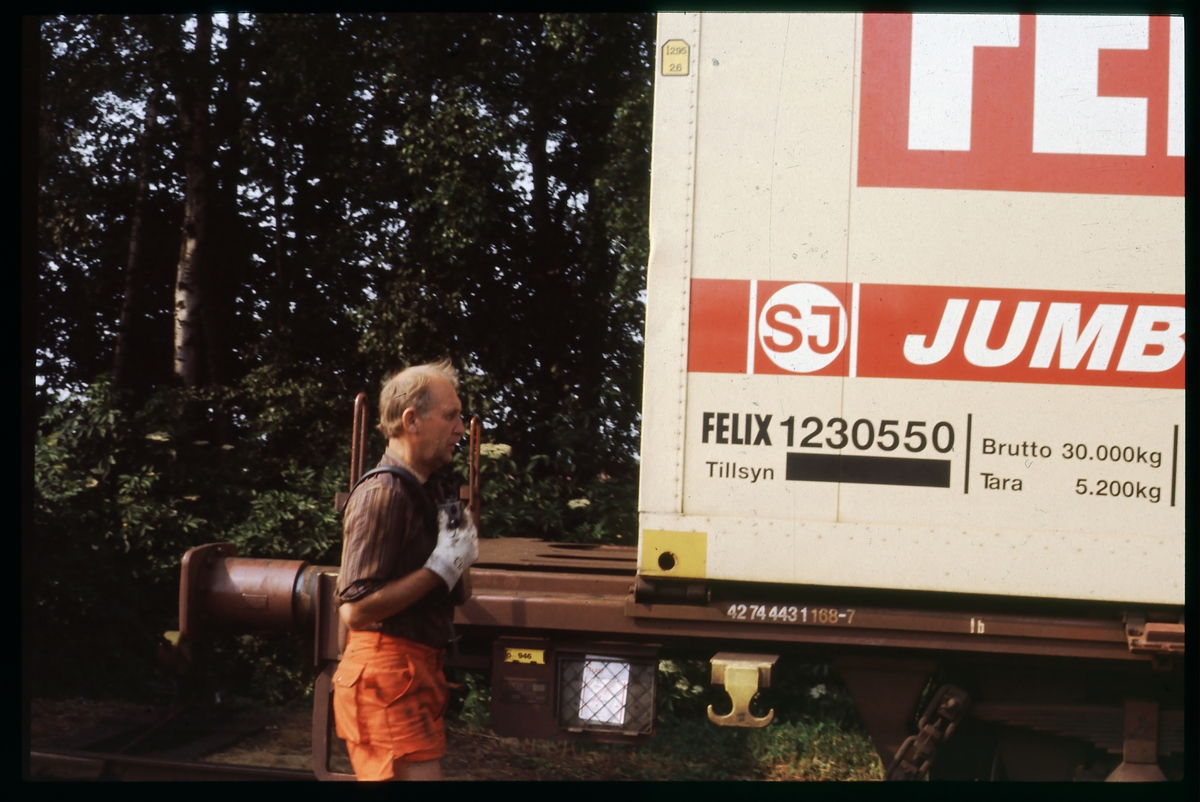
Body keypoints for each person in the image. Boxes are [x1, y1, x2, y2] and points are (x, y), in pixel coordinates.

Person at [333, 359, 478, 781]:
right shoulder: (383, 494)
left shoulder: (424, 491)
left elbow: (457, 593)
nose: (461, 428)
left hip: (412, 672)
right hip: (387, 673)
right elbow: (354, 610)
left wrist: (458, 558)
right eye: (451, 416)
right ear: (411, 421)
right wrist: (439, 567)